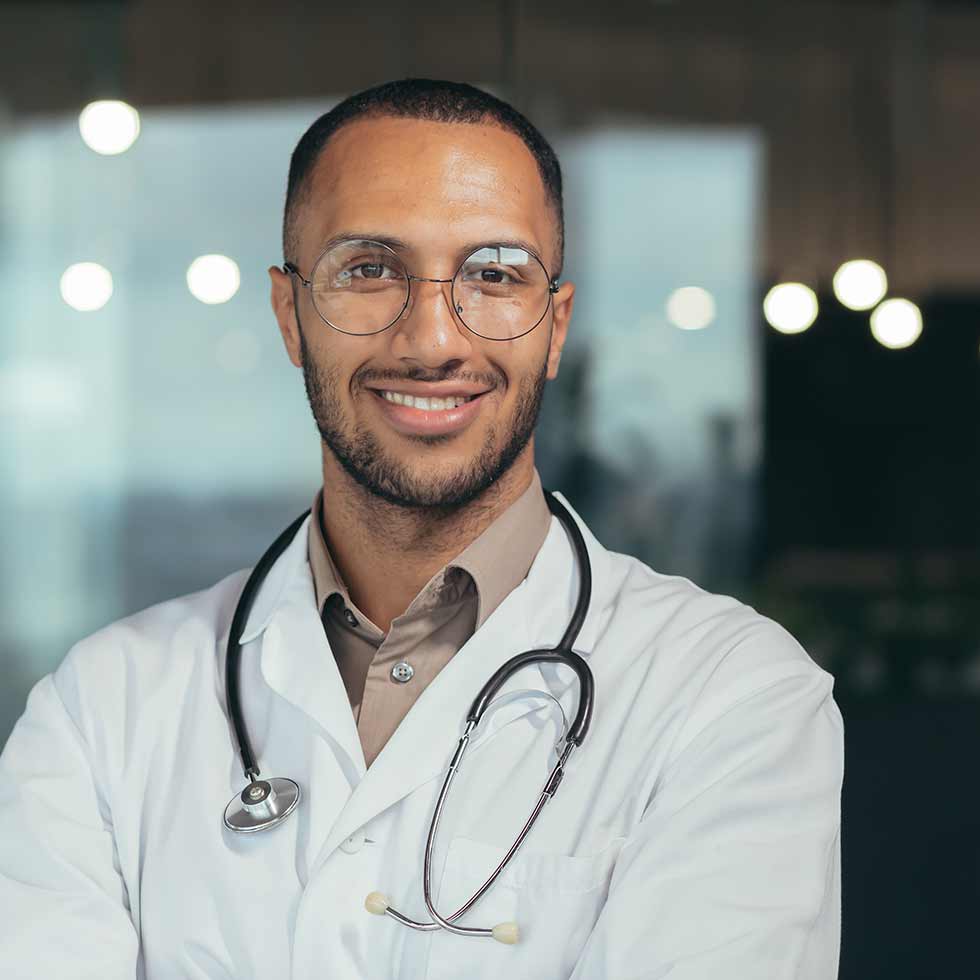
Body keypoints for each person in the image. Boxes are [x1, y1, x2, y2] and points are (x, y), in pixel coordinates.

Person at [0, 78, 843, 979]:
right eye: (369, 270)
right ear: (289, 315)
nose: (433, 339)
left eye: (493, 275)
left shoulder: (730, 700)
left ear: (554, 327)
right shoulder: (103, 710)